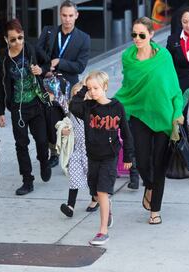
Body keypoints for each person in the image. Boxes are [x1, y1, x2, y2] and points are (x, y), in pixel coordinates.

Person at [115, 17, 184, 225]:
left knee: (159, 164)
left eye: (141, 35)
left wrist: (177, 111)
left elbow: (173, 87)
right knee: (143, 162)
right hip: (138, 114)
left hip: (163, 116)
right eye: (134, 35)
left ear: (151, 35)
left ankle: (155, 211)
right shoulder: (128, 58)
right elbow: (128, 89)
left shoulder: (163, 56)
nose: (137, 39)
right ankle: (150, 186)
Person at [70, 71, 133, 245]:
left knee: (102, 192)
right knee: (95, 192)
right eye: (90, 88)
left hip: (109, 157)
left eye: (96, 88)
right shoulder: (88, 106)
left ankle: (102, 231)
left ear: (105, 87)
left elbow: (127, 134)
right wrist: (83, 89)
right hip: (93, 156)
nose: (93, 91)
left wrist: (128, 156)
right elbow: (73, 106)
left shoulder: (116, 107)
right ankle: (108, 208)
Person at [0, 19, 51, 196]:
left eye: (20, 38)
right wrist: (0, 111)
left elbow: (47, 62)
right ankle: (27, 180)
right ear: (6, 40)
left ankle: (44, 160)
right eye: (13, 39)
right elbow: (0, 87)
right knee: (21, 145)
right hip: (18, 109)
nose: (18, 42)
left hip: (36, 103)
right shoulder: (3, 61)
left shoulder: (31, 49)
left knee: (42, 141)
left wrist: (41, 70)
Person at [36, 0, 91, 168]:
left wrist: (59, 62)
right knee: (50, 118)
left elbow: (80, 66)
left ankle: (68, 151)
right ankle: (54, 152)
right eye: (64, 15)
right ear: (60, 15)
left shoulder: (83, 38)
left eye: (70, 16)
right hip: (47, 81)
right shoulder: (49, 31)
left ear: (76, 16)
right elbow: (38, 52)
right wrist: (47, 68)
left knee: (67, 120)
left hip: (68, 84)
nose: (67, 19)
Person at [59, 82, 98, 218]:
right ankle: (70, 206)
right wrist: (64, 130)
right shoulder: (71, 113)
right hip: (76, 150)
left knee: (91, 177)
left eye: (80, 93)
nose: (77, 96)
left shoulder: (91, 111)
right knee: (73, 175)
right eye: (74, 94)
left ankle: (95, 199)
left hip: (90, 151)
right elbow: (65, 124)